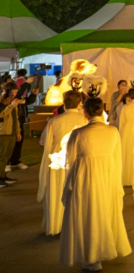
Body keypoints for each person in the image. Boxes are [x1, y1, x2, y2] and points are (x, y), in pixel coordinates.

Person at [59, 97, 131, 272]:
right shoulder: (113, 131)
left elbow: (70, 159)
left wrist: (69, 184)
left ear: (85, 112)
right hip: (108, 175)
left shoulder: (79, 133)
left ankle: (91, 256)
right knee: (104, 211)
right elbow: (117, 158)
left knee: (89, 212)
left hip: (85, 177)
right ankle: (101, 250)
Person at [37, 90, 85, 232]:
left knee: (57, 189)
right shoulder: (83, 119)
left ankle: (56, 224)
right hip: (76, 157)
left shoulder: (55, 121)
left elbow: (43, 141)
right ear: (80, 102)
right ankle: (75, 223)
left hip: (56, 158)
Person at [118, 88, 134, 186]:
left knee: (126, 153)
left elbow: (121, 122)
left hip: (126, 130)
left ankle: (126, 178)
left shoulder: (125, 107)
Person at [0, 87, 23, 188]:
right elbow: (1, 115)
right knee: (2, 156)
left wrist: (18, 131)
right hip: (3, 132)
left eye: (16, 92)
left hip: (12, 132)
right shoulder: (2, 101)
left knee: (7, 156)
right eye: (12, 92)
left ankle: (3, 176)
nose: (14, 94)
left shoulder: (14, 102)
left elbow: (16, 118)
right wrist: (10, 106)